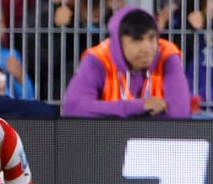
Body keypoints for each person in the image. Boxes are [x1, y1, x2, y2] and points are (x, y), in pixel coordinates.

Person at [62, 6, 191, 118]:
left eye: (152, 38)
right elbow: (74, 108)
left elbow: (179, 112)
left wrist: (112, 115)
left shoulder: (167, 54)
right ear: (118, 42)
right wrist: (138, 107)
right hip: (107, 138)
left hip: (155, 140)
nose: (147, 48)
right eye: (137, 40)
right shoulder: (98, 58)